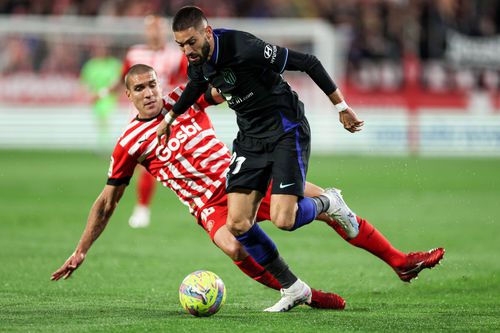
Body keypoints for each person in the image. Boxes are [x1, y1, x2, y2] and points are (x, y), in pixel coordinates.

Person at [52, 65, 445, 312]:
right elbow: (107, 202)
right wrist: (81, 249)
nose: (150, 92)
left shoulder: (181, 100)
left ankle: (398, 259)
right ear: (129, 95)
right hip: (207, 205)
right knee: (233, 245)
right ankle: (300, 292)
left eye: (152, 83)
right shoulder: (129, 143)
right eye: (140, 88)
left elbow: (225, 91)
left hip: (243, 176)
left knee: (312, 204)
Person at [156, 6, 365, 311]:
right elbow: (197, 85)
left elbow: (308, 62)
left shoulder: (244, 47)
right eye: (180, 45)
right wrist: (171, 116)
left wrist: (341, 107)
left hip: (284, 127)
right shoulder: (198, 61)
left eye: (190, 42)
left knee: (284, 219)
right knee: (238, 223)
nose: (186, 50)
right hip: (250, 139)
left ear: (207, 32)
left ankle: (329, 202)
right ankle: (293, 289)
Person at [99, 15, 189, 229]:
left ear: (165, 31)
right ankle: (140, 208)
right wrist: (104, 92)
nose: (154, 32)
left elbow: (191, 80)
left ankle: (143, 209)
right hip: (139, 118)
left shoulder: (176, 55)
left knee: (152, 163)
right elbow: (124, 80)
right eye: (150, 28)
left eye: (157, 28)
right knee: (141, 163)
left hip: (167, 117)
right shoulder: (135, 53)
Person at [80, 40, 122, 153]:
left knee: (107, 121)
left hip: (111, 99)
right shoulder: (90, 66)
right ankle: (101, 146)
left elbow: (120, 83)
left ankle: (108, 146)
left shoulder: (114, 64)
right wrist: (87, 95)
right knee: (99, 123)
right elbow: (84, 83)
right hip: (95, 99)